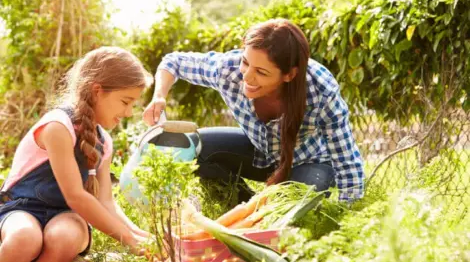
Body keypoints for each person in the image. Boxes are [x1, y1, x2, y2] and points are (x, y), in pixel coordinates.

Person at [143, 19, 365, 203]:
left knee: (295, 204)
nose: (247, 76)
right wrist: (159, 96)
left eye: (261, 71)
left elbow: (346, 159)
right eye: (245, 62)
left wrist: (349, 210)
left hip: (309, 161)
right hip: (259, 153)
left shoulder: (320, 90)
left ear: (288, 75)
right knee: (193, 147)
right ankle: (243, 208)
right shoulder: (228, 71)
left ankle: (272, 212)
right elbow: (173, 62)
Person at [0, 46, 154, 262]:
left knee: (64, 238)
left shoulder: (104, 142)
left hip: (67, 215)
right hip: (22, 208)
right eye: (125, 101)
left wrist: (141, 236)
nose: (128, 113)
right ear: (97, 90)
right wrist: (127, 238)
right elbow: (75, 195)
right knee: (24, 238)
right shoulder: (58, 126)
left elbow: (105, 202)